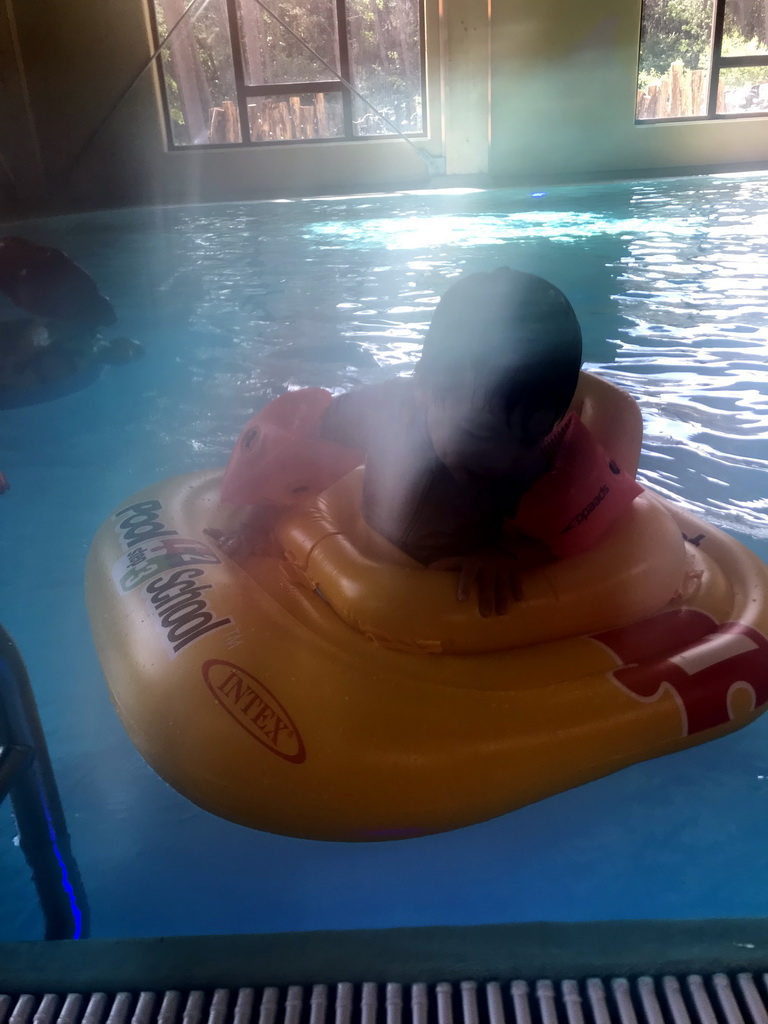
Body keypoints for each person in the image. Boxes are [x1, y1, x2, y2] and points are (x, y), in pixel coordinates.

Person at [209, 268, 642, 615]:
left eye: (531, 436)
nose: (506, 458)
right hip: (360, 560)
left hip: (436, 607)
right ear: (425, 387)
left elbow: (571, 540)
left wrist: (509, 558)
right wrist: (260, 520)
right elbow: (296, 451)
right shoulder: (386, 410)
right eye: (480, 434)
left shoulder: (543, 465)